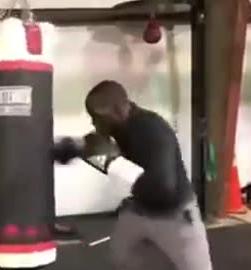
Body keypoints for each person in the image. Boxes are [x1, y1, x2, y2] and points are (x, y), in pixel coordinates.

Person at [53, 80, 213, 270]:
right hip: (138, 210)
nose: (93, 122)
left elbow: (162, 189)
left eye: (96, 117)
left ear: (117, 111)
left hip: (174, 214)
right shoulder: (117, 127)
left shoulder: (153, 131)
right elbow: (94, 147)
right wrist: (70, 149)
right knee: (119, 259)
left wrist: (113, 163)